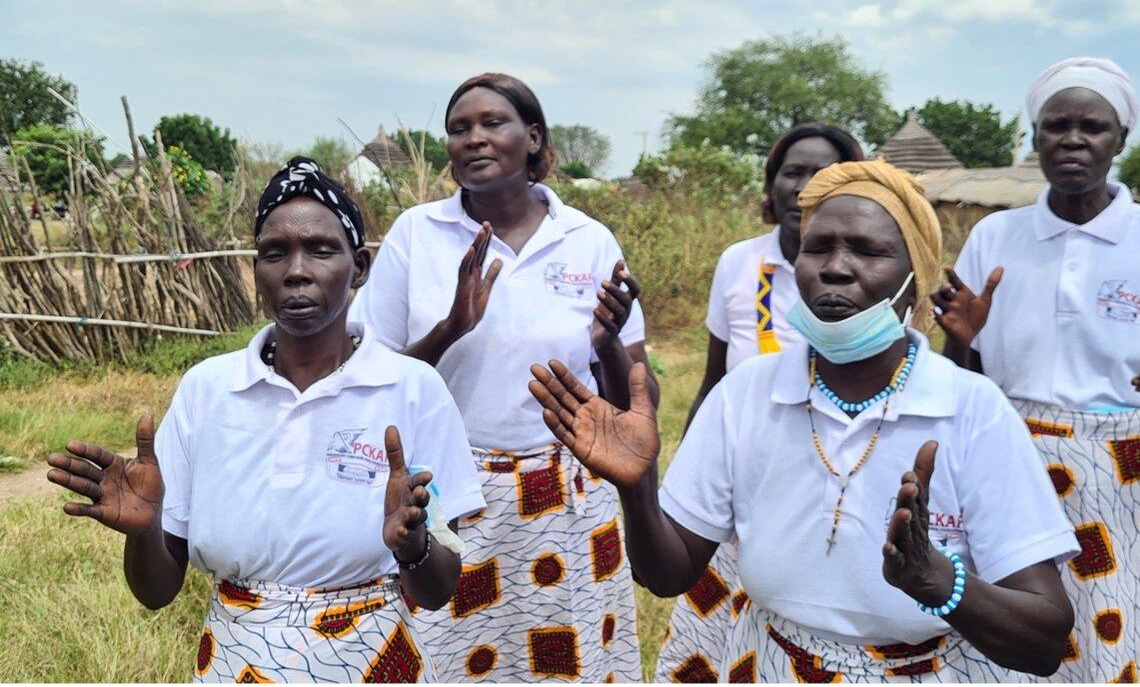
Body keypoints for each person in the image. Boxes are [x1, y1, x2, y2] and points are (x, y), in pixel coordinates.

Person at [531, 159, 1079, 682]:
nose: (835, 267)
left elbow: (1045, 640)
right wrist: (639, 489)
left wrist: (939, 582)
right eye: (819, 247)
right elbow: (668, 576)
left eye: (868, 251)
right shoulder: (748, 392)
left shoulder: (971, 407)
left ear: (915, 278)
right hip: (772, 663)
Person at [46, 157, 485, 683]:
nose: (296, 270)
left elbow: (437, 593)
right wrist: (143, 532)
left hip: (375, 660)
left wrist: (413, 547)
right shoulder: (209, 389)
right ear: (257, 272)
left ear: (359, 267)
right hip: (237, 663)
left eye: (321, 250)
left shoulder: (413, 388)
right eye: (274, 253)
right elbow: (156, 592)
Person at [350, 73, 659, 682]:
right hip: (450, 485)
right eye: (460, 129)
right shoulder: (419, 233)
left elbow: (634, 402)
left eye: (493, 124)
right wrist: (450, 328)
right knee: (446, 651)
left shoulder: (587, 239)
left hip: (567, 488)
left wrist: (610, 345)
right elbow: (374, 380)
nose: (474, 139)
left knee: (566, 655)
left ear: (533, 137)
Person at [935, 57, 1140, 682]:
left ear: (1120, 142)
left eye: (1092, 127)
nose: (1072, 140)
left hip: (1123, 468)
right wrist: (963, 340)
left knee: (1113, 617)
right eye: (1055, 125)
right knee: (1009, 624)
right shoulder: (997, 235)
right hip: (1009, 455)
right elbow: (960, 370)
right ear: (1035, 136)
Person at [656, 123, 864, 683]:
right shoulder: (739, 263)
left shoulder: (869, 275)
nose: (804, 187)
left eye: (823, 174)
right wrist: (685, 479)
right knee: (713, 642)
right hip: (740, 483)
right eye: (792, 172)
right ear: (771, 186)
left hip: (831, 486)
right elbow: (712, 380)